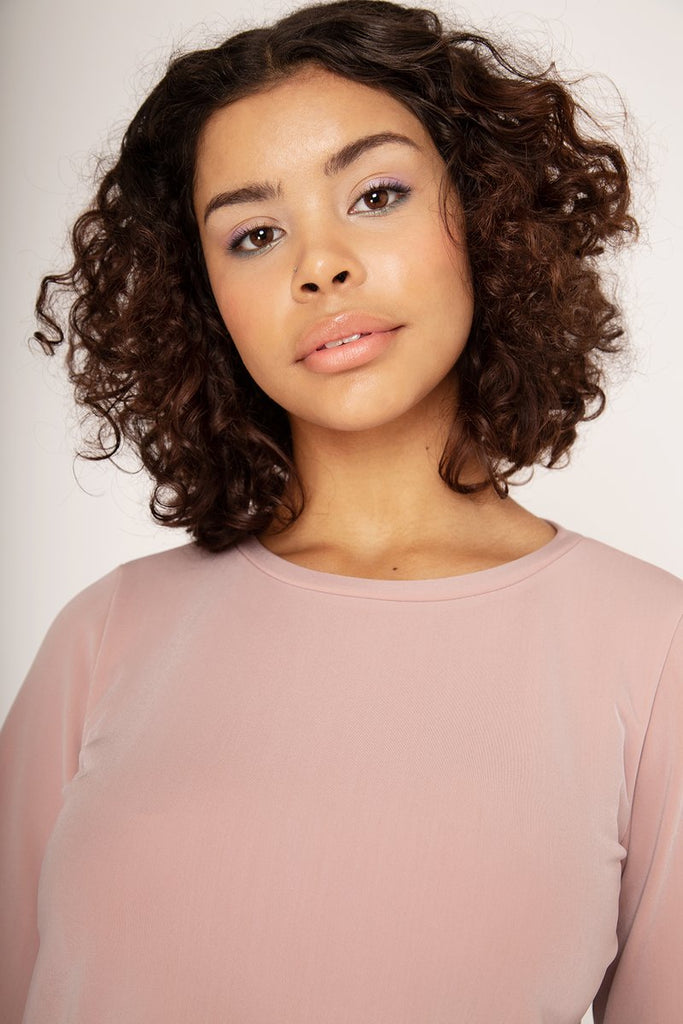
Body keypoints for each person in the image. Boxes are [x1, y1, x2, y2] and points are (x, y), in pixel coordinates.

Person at [1, 0, 681, 1020]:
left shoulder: (652, 651)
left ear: (484, 214)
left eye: (375, 194)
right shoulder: (106, 634)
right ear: (204, 299)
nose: (319, 266)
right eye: (255, 234)